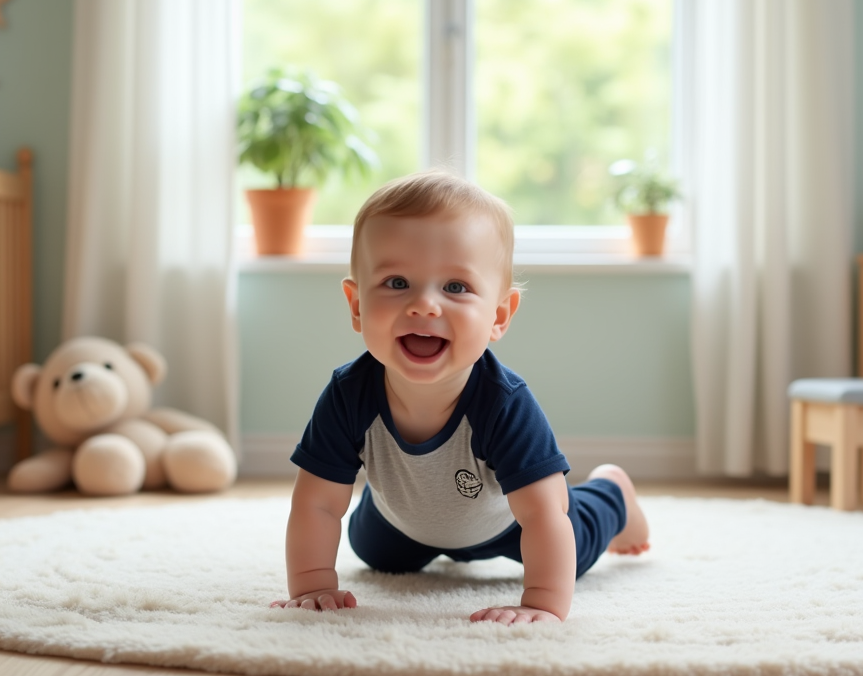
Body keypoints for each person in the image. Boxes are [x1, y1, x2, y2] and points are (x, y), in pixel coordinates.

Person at [270, 170, 650, 625]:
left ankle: (614, 493)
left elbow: (544, 514)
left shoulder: (504, 403)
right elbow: (317, 503)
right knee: (371, 550)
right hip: (401, 518)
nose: (424, 305)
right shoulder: (348, 394)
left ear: (499, 315)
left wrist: (541, 605)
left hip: (505, 521)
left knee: (578, 545)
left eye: (455, 287)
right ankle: (400, 520)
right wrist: (312, 587)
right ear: (356, 306)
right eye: (396, 283)